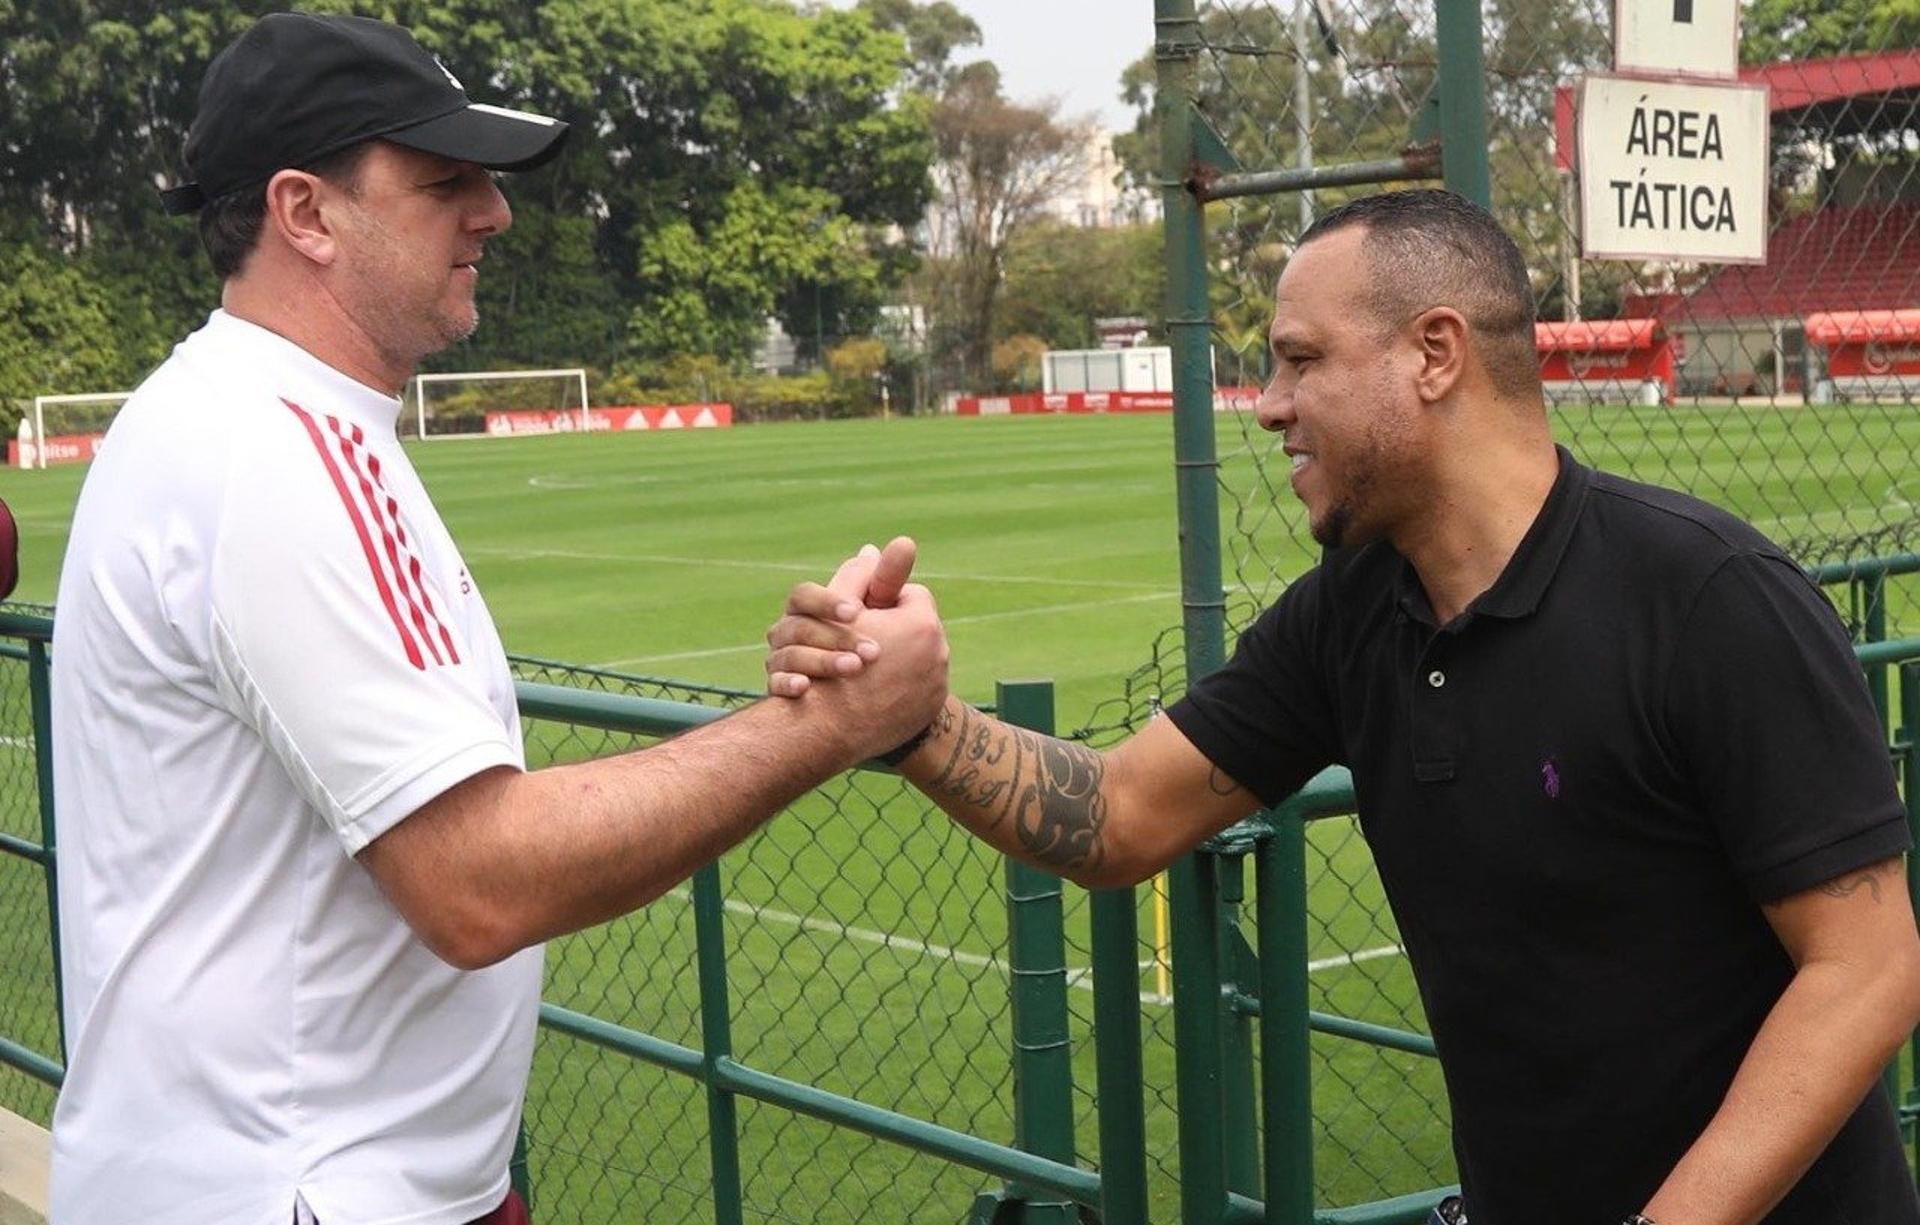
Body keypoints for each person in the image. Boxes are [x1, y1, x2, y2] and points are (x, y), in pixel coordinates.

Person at [767, 189, 1920, 1225]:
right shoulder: (1352, 613)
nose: (1269, 407)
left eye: (1300, 359)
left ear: (1433, 353)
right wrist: (914, 722)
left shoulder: (1709, 598)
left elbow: (1866, 970)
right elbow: (1119, 815)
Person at [47, 14, 946, 1225]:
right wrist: (829, 724)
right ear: (304, 213)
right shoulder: (269, 454)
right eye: (444, 182)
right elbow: (476, 881)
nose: (494, 213)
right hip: (301, 1189)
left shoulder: (259, 422)